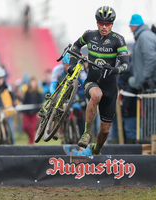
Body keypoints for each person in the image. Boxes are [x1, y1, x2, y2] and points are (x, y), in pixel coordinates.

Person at [67, 6, 130, 154]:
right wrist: (71, 63)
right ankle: (86, 133)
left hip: (110, 87)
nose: (104, 26)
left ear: (112, 24)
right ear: (97, 23)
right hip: (92, 81)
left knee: (105, 130)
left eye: (107, 24)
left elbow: (126, 64)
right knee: (96, 95)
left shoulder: (118, 40)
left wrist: (116, 69)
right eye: (101, 23)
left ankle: (97, 149)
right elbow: (76, 46)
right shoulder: (89, 35)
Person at [49, 53, 87, 137]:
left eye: (69, 65)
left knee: (77, 109)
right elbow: (52, 85)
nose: (67, 68)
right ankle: (59, 127)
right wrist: (53, 96)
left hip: (73, 92)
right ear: (63, 64)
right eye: (66, 65)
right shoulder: (57, 70)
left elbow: (85, 82)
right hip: (61, 92)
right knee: (59, 107)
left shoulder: (79, 68)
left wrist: (87, 92)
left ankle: (78, 129)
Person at [128, 14, 156, 92]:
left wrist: (146, 77)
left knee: (150, 103)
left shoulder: (144, 37)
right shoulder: (142, 36)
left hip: (150, 82)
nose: (130, 29)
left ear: (134, 26)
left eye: (130, 26)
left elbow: (150, 58)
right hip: (147, 81)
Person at [22, 77, 43, 144]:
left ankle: (31, 142)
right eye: (32, 82)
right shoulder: (27, 92)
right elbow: (24, 102)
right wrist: (22, 112)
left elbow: (40, 103)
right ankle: (31, 138)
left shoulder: (38, 93)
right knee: (25, 126)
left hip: (35, 113)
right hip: (27, 112)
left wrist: (39, 113)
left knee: (33, 128)